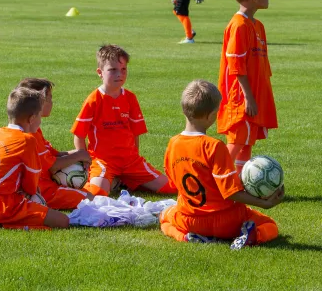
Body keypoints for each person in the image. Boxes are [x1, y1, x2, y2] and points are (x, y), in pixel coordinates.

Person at [160, 80, 283, 249]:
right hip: (228, 221)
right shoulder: (214, 146)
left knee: (164, 218)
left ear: (184, 110)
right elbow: (230, 193)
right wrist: (264, 203)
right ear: (211, 116)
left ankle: (185, 237)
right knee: (270, 226)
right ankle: (253, 236)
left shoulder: (173, 144)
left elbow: (175, 183)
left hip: (191, 220)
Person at [71, 44, 176, 197]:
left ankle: (126, 180)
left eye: (123, 69)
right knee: (97, 193)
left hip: (131, 161)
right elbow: (79, 135)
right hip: (104, 161)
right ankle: (104, 181)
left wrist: (135, 159)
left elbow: (136, 132)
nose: (119, 74)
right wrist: (85, 161)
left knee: (170, 188)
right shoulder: (93, 99)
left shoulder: (130, 98)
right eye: (113, 70)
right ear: (100, 72)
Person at [0, 87, 70, 229]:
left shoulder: (0, 132)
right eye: (39, 116)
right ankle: (4, 223)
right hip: (0, 201)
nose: (40, 120)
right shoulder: (27, 140)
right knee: (62, 221)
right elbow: (31, 186)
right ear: (32, 119)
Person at [217, 0, 277, 173]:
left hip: (254, 94)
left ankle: (239, 182)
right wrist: (248, 97)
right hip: (241, 97)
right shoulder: (239, 26)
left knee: (247, 142)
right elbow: (236, 66)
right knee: (237, 139)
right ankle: (214, 180)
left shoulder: (258, 25)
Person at [18, 78, 93, 209]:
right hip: (45, 190)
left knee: (92, 197)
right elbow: (52, 166)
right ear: (39, 102)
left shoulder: (33, 127)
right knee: (93, 200)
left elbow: (53, 155)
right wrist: (78, 156)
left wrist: (78, 153)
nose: (52, 102)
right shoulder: (31, 134)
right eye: (49, 98)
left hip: (46, 185)